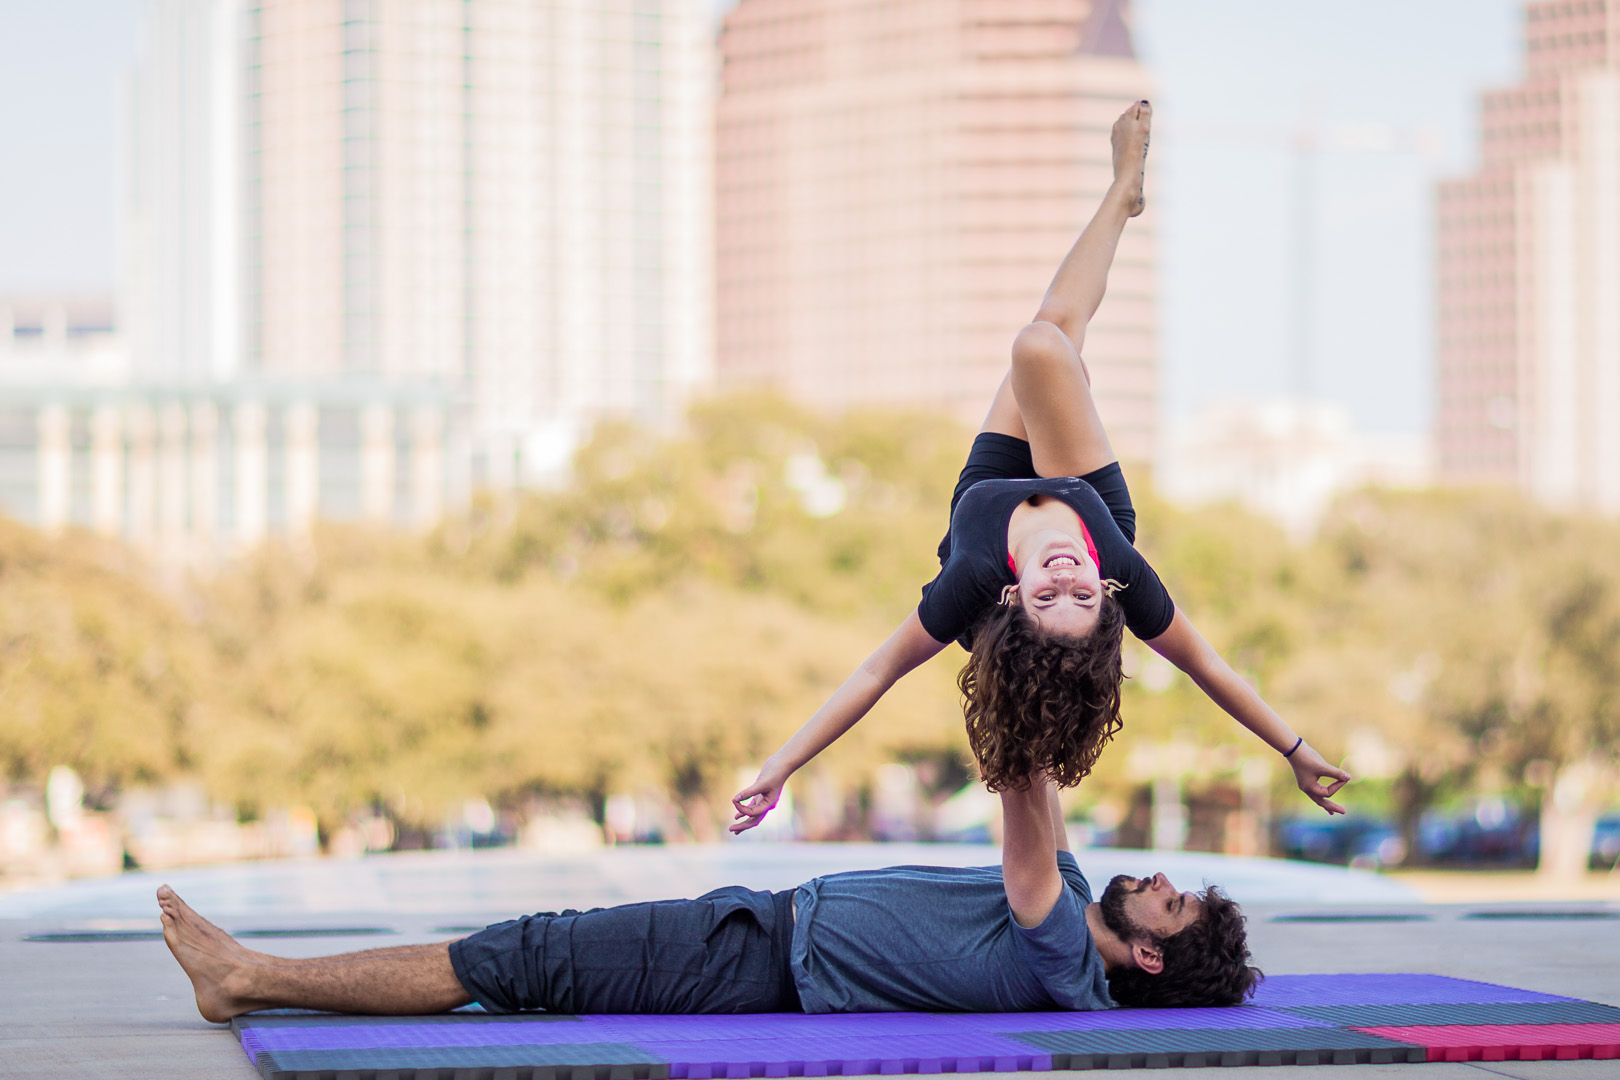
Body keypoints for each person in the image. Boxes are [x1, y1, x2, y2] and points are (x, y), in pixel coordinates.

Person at [731, 100, 1350, 831]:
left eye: (1047, 598)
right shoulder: (1115, 564)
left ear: (1011, 597)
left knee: (1044, 339)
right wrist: (1295, 748)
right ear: (1104, 590)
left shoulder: (971, 584)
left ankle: (1123, 192)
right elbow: (1208, 667)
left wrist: (780, 766)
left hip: (988, 495)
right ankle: (1122, 194)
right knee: (1046, 341)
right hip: (1085, 497)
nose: (1065, 580)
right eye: (1081, 598)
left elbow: (875, 673)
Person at [157, 774, 1259, 1021]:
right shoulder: (1077, 892)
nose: (1162, 881)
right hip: (758, 924)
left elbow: (1023, 798)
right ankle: (252, 974)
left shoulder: (1066, 960)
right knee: (527, 950)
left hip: (746, 962)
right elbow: (1047, 793)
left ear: (1150, 958)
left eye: (1175, 905)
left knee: (522, 957)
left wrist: (1014, 637)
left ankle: (248, 979)